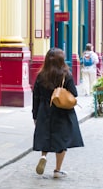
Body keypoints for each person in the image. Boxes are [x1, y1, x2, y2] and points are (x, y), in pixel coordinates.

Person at [32, 47, 83, 179]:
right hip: (62, 111)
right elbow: (74, 93)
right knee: (61, 139)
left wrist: (35, 115)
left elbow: (35, 96)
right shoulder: (66, 75)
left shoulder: (41, 75)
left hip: (44, 109)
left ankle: (43, 156)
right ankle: (57, 170)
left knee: (45, 135)